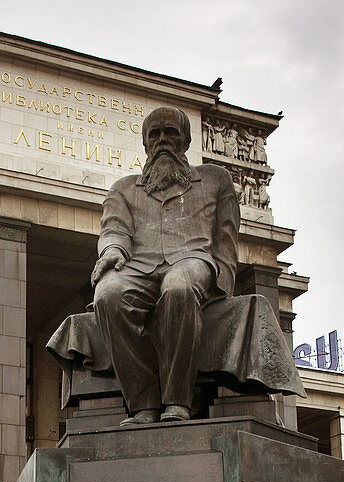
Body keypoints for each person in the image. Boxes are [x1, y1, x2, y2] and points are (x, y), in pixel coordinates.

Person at [91, 106, 239, 426]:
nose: (162, 141)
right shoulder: (124, 188)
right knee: (108, 294)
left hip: (192, 260)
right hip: (139, 265)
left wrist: (223, 283)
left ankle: (176, 402)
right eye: (154, 135)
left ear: (186, 140)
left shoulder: (215, 180)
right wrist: (113, 251)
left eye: (171, 133)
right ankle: (144, 404)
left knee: (177, 286)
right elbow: (115, 230)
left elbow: (226, 237)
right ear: (145, 144)